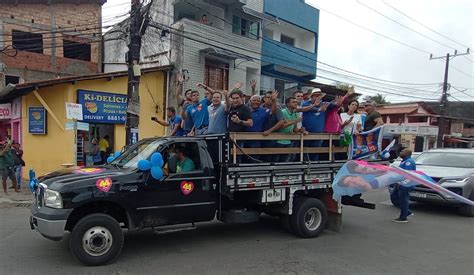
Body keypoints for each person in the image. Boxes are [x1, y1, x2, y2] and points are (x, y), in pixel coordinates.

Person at [275, 97, 305, 162]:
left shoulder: (296, 114)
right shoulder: (283, 112)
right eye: (293, 102)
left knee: (286, 160)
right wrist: (294, 121)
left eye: (296, 102)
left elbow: (295, 129)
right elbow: (281, 126)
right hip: (279, 140)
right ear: (288, 104)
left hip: (289, 140)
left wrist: (301, 130)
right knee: (276, 161)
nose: (296, 103)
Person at [392, 148, 416, 223]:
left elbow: (406, 173)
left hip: (405, 184)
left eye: (402, 151)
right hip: (400, 183)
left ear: (407, 153)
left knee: (403, 200)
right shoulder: (404, 161)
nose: (400, 152)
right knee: (394, 198)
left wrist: (401, 183)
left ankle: (403, 217)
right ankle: (407, 211)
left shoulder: (409, 162)